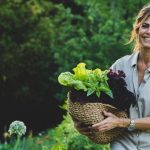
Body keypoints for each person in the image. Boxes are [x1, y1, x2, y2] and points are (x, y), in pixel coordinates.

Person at [75, 4, 150, 150]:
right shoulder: (120, 65)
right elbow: (99, 103)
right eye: (145, 26)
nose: (149, 32)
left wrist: (123, 122)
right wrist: (82, 124)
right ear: (137, 29)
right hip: (122, 142)